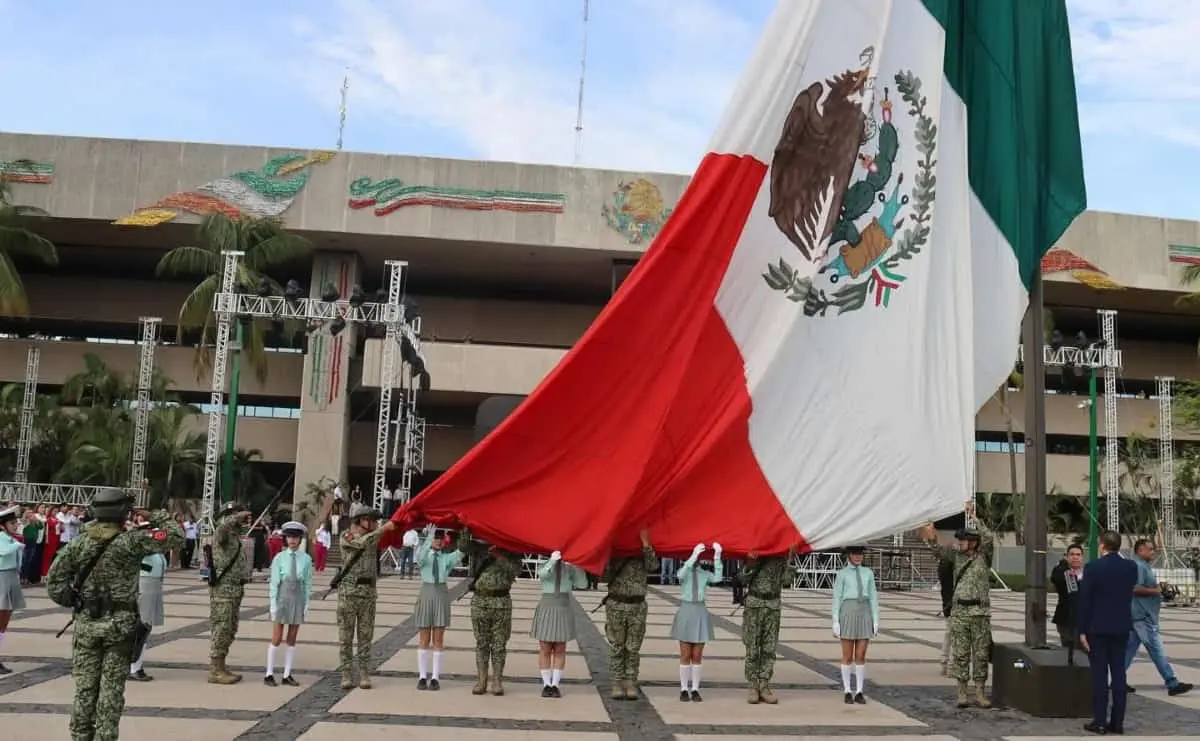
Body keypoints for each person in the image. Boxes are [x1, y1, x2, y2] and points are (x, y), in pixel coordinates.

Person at [46, 488, 183, 741]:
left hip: (87, 625)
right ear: (123, 512)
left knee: (84, 690)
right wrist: (155, 515)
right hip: (119, 627)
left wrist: (76, 601)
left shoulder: (79, 542)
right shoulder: (131, 542)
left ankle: (80, 736)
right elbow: (175, 536)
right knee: (111, 691)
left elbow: (54, 583)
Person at [919, 506, 994, 709]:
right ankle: (962, 692)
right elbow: (938, 551)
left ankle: (980, 692)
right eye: (959, 540)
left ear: (973, 543)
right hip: (960, 612)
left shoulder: (984, 557)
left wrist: (973, 517)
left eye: (963, 540)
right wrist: (931, 536)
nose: (959, 543)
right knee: (960, 654)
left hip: (980, 613)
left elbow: (988, 537)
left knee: (980, 654)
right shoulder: (956, 556)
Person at [1077, 529, 1139, 735]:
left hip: (1098, 628)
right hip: (1121, 627)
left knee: (1100, 676)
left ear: (1102, 545)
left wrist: (1082, 630)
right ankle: (1117, 722)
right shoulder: (1130, 567)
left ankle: (1100, 721)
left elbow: (1085, 601)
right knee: (1119, 674)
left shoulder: (1093, 567)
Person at [337, 503, 396, 690]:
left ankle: (364, 672)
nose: (375, 523)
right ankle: (346, 673)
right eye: (370, 520)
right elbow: (360, 543)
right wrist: (383, 529)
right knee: (346, 637)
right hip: (349, 593)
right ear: (359, 521)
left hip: (368, 594)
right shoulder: (346, 536)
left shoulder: (374, 537)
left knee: (365, 636)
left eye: (375, 520)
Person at [1124, 538, 1193, 696]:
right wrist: (1157, 591)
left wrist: (1158, 590)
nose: (1153, 552)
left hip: (1139, 615)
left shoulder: (1142, 565)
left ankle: (1117, 680)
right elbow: (1135, 588)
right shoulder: (1139, 566)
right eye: (1150, 549)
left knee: (1129, 650)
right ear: (1140, 550)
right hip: (1143, 616)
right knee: (1156, 649)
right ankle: (1172, 683)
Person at [603, 528, 657, 701]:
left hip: (637, 605)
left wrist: (646, 545)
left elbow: (653, 566)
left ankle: (631, 681)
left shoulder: (644, 553)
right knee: (617, 646)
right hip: (617, 603)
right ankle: (617, 682)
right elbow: (603, 575)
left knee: (633, 648)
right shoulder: (614, 551)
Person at [739, 546, 793, 705]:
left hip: (772, 605)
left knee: (769, 648)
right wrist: (750, 564)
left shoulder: (781, 556)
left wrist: (791, 559)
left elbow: (787, 582)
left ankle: (764, 685)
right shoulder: (754, 551)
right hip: (754, 605)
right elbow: (742, 579)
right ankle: (753, 686)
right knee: (752, 647)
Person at [466, 538, 521, 696]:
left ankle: (497, 681)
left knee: (499, 645)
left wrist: (499, 555)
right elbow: (463, 546)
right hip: (480, 601)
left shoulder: (512, 550)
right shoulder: (479, 546)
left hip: (501, 602)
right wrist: (465, 530)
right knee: (481, 643)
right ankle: (481, 681)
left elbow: (516, 571)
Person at [531, 549, 588, 698]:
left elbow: (583, 584)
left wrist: (577, 564)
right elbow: (543, 575)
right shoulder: (545, 564)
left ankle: (555, 685)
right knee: (545, 647)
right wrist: (552, 560)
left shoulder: (569, 568)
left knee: (560, 648)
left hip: (563, 607)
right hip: (547, 606)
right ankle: (546, 684)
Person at [415, 526, 465, 690]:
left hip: (441, 594)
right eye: (436, 538)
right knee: (424, 637)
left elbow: (461, 553)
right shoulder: (425, 556)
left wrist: (465, 534)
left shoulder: (446, 558)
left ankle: (435, 677)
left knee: (438, 638)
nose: (438, 541)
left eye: (440, 538)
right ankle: (422, 676)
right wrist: (428, 538)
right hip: (427, 592)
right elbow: (420, 557)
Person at [671, 542, 723, 702]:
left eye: (698, 557)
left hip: (700, 611)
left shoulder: (704, 574)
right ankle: (683, 689)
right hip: (686, 610)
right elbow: (680, 575)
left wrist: (717, 557)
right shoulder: (685, 570)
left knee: (697, 655)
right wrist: (692, 557)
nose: (697, 559)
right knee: (685, 654)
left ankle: (695, 689)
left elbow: (718, 578)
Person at [208, 501, 253, 684]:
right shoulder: (223, 533)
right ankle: (216, 670)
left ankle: (222, 665)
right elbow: (221, 530)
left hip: (234, 589)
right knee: (222, 627)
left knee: (230, 628)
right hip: (223, 590)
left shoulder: (235, 537)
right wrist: (234, 518)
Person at [265, 522, 314, 687]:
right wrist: (273, 605)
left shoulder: (306, 559)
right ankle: (269, 673)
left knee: (291, 639)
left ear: (300, 539)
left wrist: (306, 604)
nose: (292, 540)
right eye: (289, 537)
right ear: (285, 539)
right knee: (277, 638)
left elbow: (307, 584)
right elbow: (274, 583)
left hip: (297, 599)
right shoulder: (279, 558)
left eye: (296, 537)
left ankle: (287, 674)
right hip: (282, 598)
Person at [832, 545, 879, 704]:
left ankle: (859, 691)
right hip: (848, 610)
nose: (858, 556)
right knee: (847, 655)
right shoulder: (842, 574)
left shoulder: (868, 573)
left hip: (864, 611)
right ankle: (847, 690)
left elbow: (873, 597)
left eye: (860, 554)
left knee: (861, 654)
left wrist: (875, 619)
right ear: (849, 555)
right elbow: (837, 597)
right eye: (855, 554)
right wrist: (835, 620)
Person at [129, 517, 168, 682]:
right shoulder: (140, 546)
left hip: (154, 585)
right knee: (141, 626)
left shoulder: (154, 548)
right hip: (145, 584)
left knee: (146, 626)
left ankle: (135, 665)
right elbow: (140, 564)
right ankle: (133, 667)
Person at [0, 505, 25, 675]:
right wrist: (17, 545)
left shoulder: (10, 538)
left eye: (16, 523)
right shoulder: (2, 538)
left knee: (4, 622)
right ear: (3, 526)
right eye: (12, 523)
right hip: (2, 577)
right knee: (1, 618)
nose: (15, 526)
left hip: (11, 577)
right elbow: (4, 552)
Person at [1050, 543, 1084, 650]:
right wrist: (1063, 563)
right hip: (1066, 620)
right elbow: (1055, 578)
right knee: (1070, 651)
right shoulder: (1061, 571)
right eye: (1072, 554)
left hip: (1083, 621)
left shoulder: (1087, 574)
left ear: (1082, 557)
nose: (1075, 557)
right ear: (1066, 557)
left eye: (1078, 555)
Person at [937, 553, 955, 676]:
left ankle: (944, 662)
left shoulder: (943, 563)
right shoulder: (954, 563)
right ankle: (951, 665)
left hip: (947, 603)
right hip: (954, 603)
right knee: (956, 634)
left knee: (949, 632)